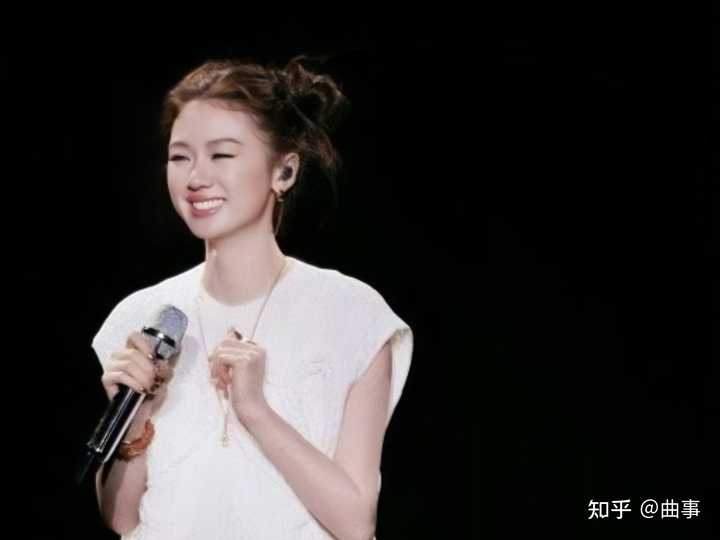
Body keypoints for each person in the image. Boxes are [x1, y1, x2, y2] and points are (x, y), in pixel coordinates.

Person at [91, 53, 414, 540]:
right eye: (180, 157)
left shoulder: (351, 314)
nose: (195, 177)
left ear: (284, 171)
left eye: (221, 155)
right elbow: (122, 520)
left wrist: (255, 410)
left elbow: (356, 522)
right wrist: (135, 424)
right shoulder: (143, 315)